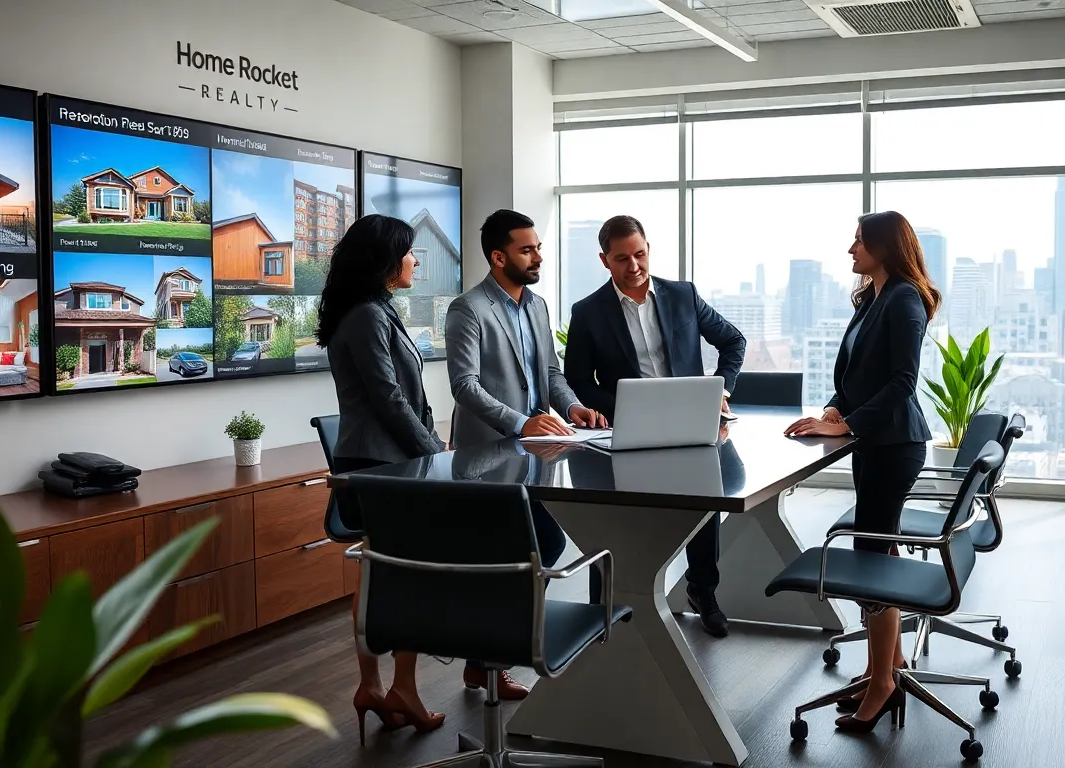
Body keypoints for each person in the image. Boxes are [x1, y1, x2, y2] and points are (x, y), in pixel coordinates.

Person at [785, 210, 940, 735]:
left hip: (894, 445)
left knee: (871, 561)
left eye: (858, 241)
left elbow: (901, 384)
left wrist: (847, 424)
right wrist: (836, 408)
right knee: (878, 554)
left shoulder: (904, 299)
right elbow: (858, 374)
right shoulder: (874, 297)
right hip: (875, 444)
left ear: (884, 246)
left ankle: (882, 685)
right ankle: (886, 667)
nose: (850, 249)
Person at [445, 208, 606, 699]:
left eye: (538, 247)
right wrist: (521, 422)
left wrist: (573, 407)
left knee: (543, 548)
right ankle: (489, 660)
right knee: (515, 556)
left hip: (537, 457)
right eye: (527, 249)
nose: (538, 256)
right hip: (488, 459)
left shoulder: (536, 306)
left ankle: (487, 659)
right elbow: (464, 385)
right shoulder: (468, 309)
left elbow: (550, 373)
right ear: (498, 257)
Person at [563, 214, 746, 637]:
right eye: (622, 258)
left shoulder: (683, 295)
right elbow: (577, 380)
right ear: (604, 260)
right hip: (629, 430)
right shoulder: (588, 312)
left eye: (640, 254)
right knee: (613, 518)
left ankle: (703, 592)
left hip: (691, 424)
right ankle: (602, 607)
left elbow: (733, 340)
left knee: (705, 506)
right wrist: (623, 407)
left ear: (648, 249)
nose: (634, 266)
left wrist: (723, 389)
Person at [316, 213, 446, 742]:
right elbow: (389, 399)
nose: (415, 260)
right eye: (409, 252)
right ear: (386, 261)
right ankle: (400, 689)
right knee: (403, 574)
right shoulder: (368, 315)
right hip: (382, 465)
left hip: (380, 462)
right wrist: (435, 452)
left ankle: (376, 687)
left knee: (378, 573)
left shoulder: (374, 311)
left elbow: (400, 397)